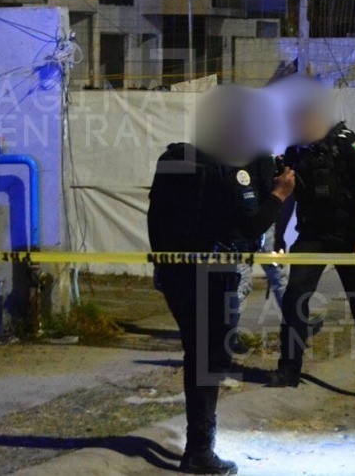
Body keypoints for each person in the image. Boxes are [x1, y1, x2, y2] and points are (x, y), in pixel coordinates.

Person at [148, 86, 296, 475]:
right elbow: (249, 223)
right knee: (209, 358)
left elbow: (153, 217)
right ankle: (199, 450)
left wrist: (162, 267)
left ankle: (198, 446)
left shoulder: (179, 157)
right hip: (212, 277)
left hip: (175, 273)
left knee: (198, 354)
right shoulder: (231, 166)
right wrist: (279, 195)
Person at [266, 83, 355, 402]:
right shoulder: (297, 150)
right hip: (313, 235)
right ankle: (289, 369)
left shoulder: (348, 143)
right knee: (296, 295)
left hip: (350, 235)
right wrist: (281, 236)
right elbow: (290, 193)